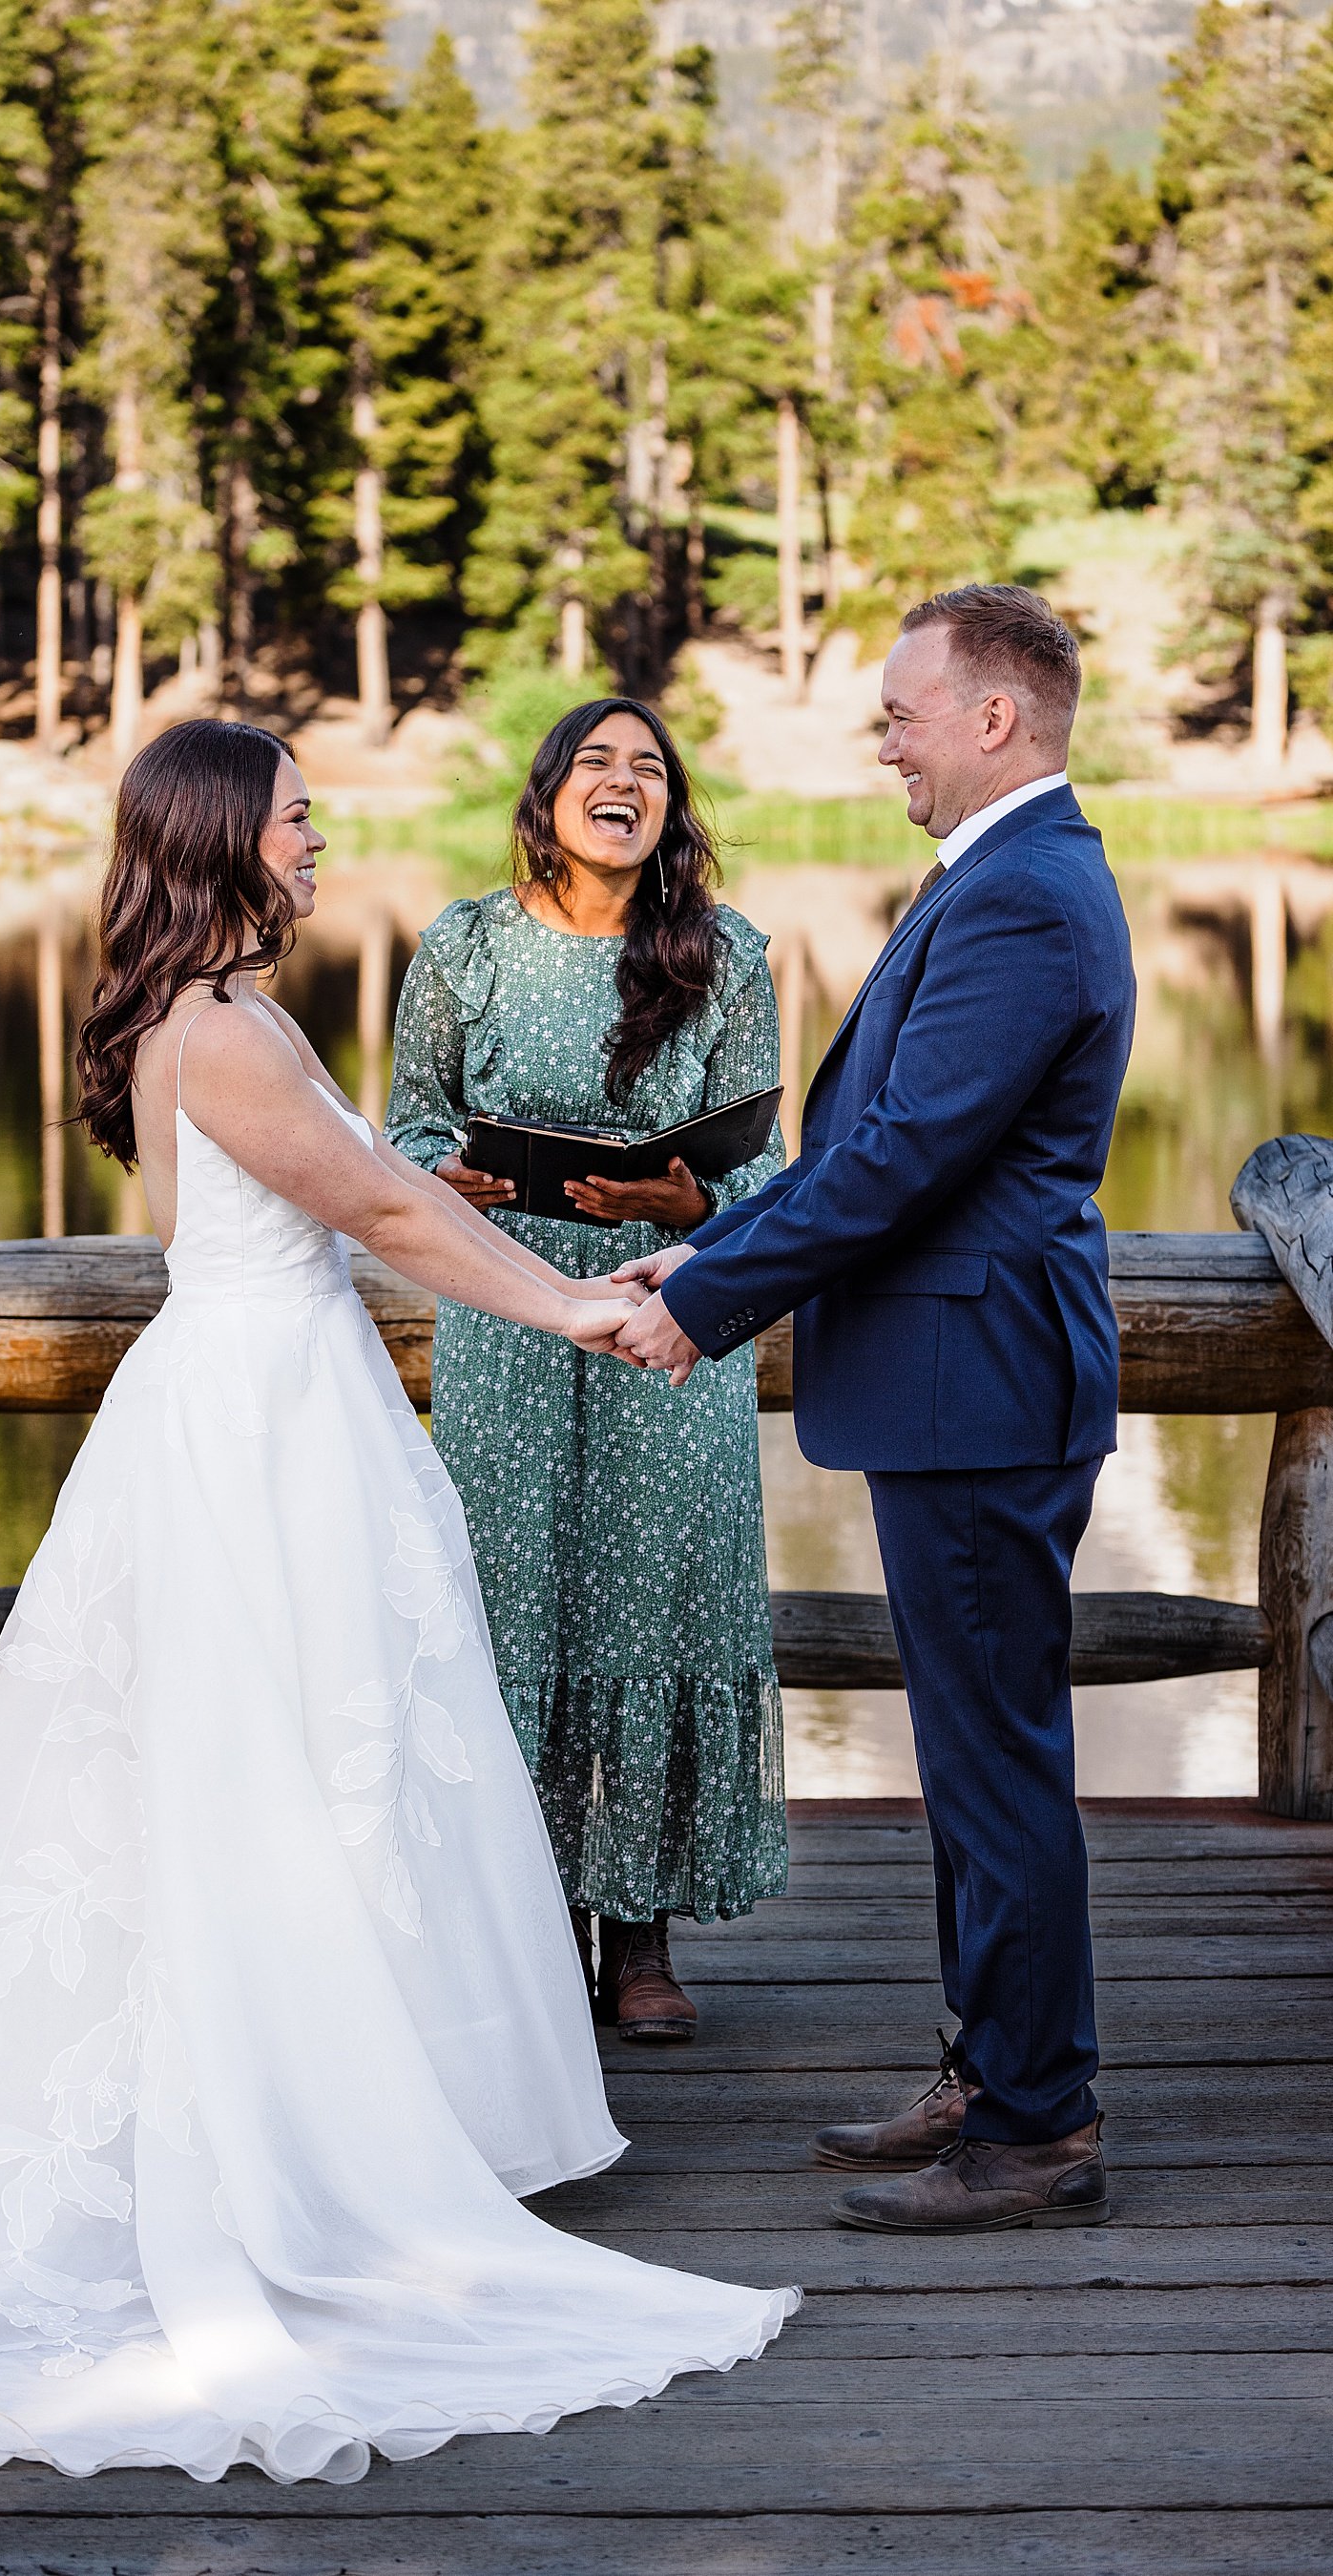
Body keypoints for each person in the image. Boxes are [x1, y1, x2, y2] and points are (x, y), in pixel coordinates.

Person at [0, 719, 796, 2480]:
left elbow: (296, 1209)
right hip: (258, 1428)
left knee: (294, 1772)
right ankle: (274, 2142)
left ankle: (318, 2104)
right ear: (226, 835)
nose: (322, 842)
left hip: (271, 1402)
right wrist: (580, 1309)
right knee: (269, 1771)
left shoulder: (212, 1014)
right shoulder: (224, 1031)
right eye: (302, 818)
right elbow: (387, 1203)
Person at [615, 587, 1136, 2235]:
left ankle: (1040, 2127)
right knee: (977, 1760)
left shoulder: (1029, 899)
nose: (884, 737)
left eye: (904, 710)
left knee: (996, 1766)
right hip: (960, 1384)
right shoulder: (1010, 876)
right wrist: (716, 1245)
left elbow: (906, 1161)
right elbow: (875, 1154)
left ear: (998, 717)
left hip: (978, 1389)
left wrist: (703, 1303)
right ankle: (994, 2065)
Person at [386, 697, 786, 2045]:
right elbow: (406, 1131)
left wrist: (686, 1214)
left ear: (671, 809)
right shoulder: (463, 944)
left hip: (670, 1314)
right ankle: (538, 1920)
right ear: (549, 793)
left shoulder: (728, 956)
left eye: (651, 770)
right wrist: (449, 1176)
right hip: (507, 1315)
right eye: (598, 764)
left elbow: (770, 1175)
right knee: (515, 1606)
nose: (625, 783)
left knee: (659, 1604)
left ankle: (646, 1933)